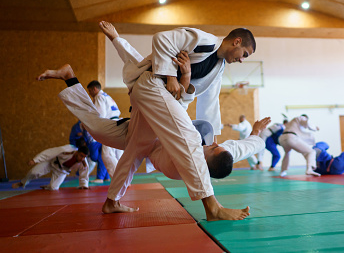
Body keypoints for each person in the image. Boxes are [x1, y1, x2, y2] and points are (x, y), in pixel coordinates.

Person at [37, 63, 270, 183]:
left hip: (143, 134)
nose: (212, 144)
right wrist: (257, 133)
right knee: (154, 97)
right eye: (215, 145)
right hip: (155, 120)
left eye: (210, 149)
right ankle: (151, 75)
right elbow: (246, 147)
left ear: (204, 162)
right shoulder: (220, 150)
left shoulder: (189, 161)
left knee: (95, 128)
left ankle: (70, 77)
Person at [12, 144, 89, 190]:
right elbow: (50, 152)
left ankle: (48, 186)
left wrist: (84, 185)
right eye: (81, 156)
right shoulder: (67, 150)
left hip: (62, 171)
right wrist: (35, 160)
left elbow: (84, 173)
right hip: (52, 162)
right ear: (77, 152)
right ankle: (22, 183)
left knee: (53, 188)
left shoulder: (83, 162)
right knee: (34, 172)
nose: (82, 158)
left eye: (84, 157)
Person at [87, 80, 122, 182]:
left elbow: (100, 115)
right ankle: (124, 178)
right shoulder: (107, 96)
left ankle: (119, 180)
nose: (89, 94)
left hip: (110, 125)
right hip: (118, 123)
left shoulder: (99, 97)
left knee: (107, 154)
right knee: (117, 155)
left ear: (95, 89)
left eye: (90, 91)